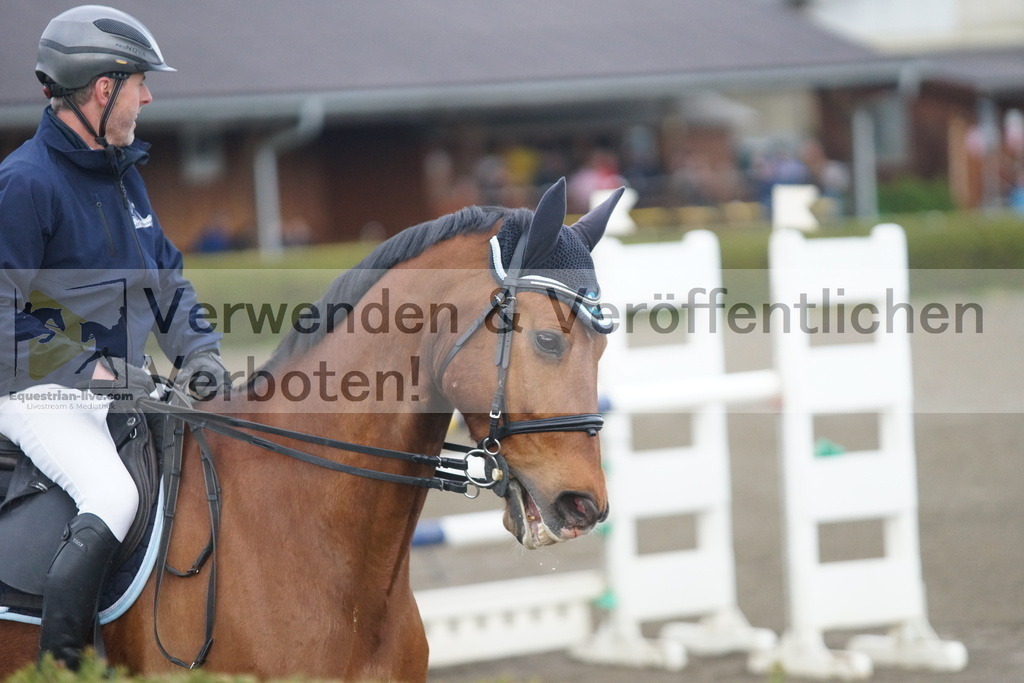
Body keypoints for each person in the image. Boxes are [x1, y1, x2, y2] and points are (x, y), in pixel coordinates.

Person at [0, 6, 230, 669]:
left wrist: (200, 352)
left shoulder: (123, 176)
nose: (148, 97)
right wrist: (95, 372)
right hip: (31, 389)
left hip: (113, 387)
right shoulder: (25, 183)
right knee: (113, 496)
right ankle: (62, 668)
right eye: (141, 83)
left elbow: (166, 279)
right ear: (104, 89)